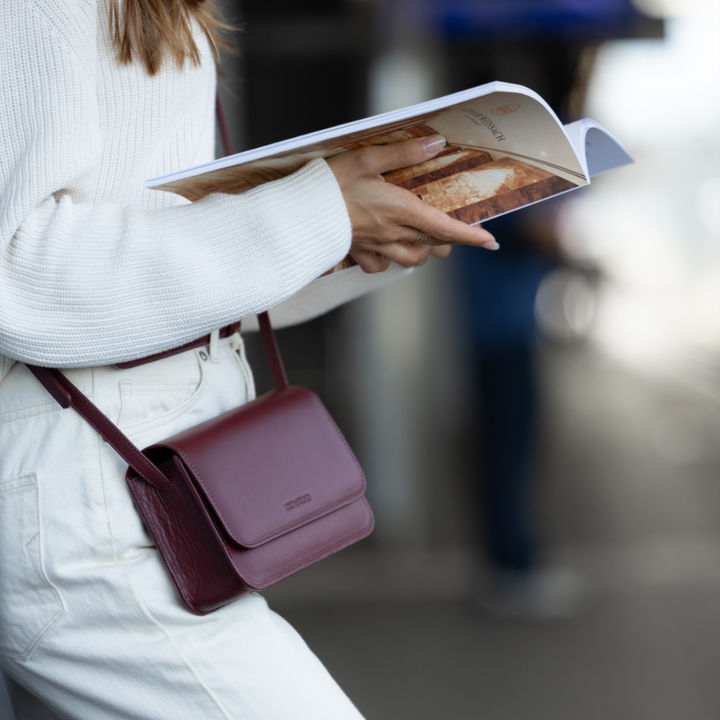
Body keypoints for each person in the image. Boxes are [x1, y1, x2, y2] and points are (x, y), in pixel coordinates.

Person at [0, 1, 497, 718]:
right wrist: (322, 214)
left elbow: (160, 263)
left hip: (137, 477)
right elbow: (17, 267)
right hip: (88, 499)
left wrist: (352, 234)